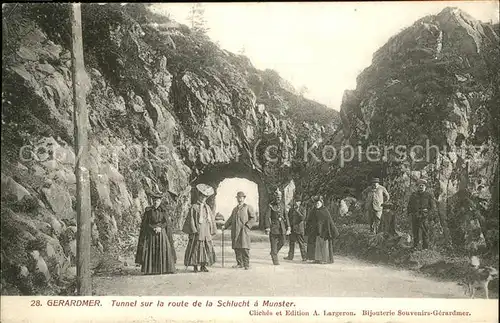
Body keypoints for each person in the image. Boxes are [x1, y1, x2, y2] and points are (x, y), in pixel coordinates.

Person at [135, 189, 177, 275]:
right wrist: (153, 228)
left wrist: (160, 227)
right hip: (151, 233)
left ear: (160, 201)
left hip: (161, 234)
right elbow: (145, 224)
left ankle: (164, 269)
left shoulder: (163, 210)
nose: (155, 202)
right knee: (151, 251)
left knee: (164, 249)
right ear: (152, 201)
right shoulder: (148, 211)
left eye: (157, 201)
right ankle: (151, 270)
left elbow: (166, 222)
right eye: (154, 201)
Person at [182, 184, 217, 272]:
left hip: (206, 232)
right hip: (198, 231)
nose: (203, 198)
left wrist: (212, 229)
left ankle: (203, 265)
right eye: (202, 196)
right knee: (196, 248)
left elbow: (211, 220)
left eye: (205, 197)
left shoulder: (207, 208)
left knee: (205, 248)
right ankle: (195, 266)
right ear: (199, 196)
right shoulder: (194, 207)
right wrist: (193, 229)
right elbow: (191, 219)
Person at [223, 191, 256, 270]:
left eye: (241, 197)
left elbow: (253, 218)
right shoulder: (235, 209)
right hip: (235, 231)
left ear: (244, 198)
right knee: (236, 247)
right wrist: (225, 226)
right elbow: (231, 219)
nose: (240, 199)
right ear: (237, 198)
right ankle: (239, 263)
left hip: (244, 231)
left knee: (245, 247)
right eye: (238, 197)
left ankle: (246, 264)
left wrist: (248, 226)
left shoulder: (248, 207)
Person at [307, 196, 338, 264]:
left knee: (324, 245)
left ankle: (325, 259)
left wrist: (333, 231)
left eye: (318, 203)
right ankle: (317, 259)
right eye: (315, 204)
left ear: (321, 203)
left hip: (324, 232)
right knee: (317, 246)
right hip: (316, 232)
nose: (316, 205)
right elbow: (309, 221)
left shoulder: (325, 211)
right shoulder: (313, 211)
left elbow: (329, 221)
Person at [407, 179, 436, 250]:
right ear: (417, 186)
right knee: (415, 231)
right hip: (415, 215)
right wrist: (409, 214)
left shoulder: (428, 195)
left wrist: (429, 214)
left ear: (425, 187)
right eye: (419, 185)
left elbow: (433, 207)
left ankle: (425, 248)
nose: (421, 187)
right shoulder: (413, 195)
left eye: (422, 185)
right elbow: (409, 205)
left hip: (424, 216)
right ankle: (415, 246)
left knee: (425, 232)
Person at [264, 189, 290, 265]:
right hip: (274, 227)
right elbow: (267, 216)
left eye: (279, 197)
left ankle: (273, 252)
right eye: (277, 197)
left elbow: (286, 216)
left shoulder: (282, 205)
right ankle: (275, 260)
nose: (278, 198)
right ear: (274, 197)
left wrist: (288, 226)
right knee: (274, 244)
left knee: (283, 241)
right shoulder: (271, 205)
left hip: (282, 227)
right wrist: (268, 227)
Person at [284, 195, 307, 262]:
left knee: (301, 243)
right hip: (293, 229)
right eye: (296, 201)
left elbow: (303, 218)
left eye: (298, 201)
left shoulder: (303, 209)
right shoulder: (291, 209)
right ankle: (290, 257)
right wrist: (288, 227)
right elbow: (288, 218)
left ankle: (304, 257)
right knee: (291, 243)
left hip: (299, 229)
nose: (297, 203)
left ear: (300, 202)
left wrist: (298, 211)